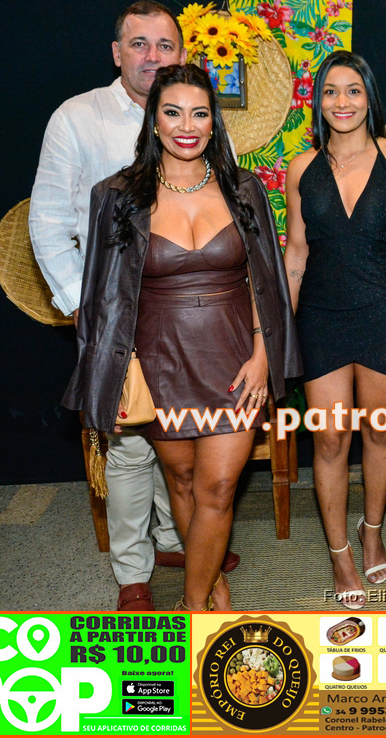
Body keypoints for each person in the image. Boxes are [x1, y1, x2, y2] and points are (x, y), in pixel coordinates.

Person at [64, 64, 301, 611]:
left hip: (235, 361)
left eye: (199, 113)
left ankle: (195, 609)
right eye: (173, 113)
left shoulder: (243, 189)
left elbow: (264, 280)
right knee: (184, 480)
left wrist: (263, 354)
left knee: (218, 486)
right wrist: (120, 369)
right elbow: (103, 295)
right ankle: (212, 581)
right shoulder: (117, 196)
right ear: (154, 121)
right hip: (160, 365)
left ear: (214, 122)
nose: (186, 126)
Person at [29, 1, 240, 612]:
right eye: (139, 44)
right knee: (127, 452)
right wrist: (91, 318)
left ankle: (184, 546)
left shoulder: (203, 130)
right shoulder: (77, 118)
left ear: (182, 53)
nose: (153, 55)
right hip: (122, 321)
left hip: (202, 332)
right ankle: (133, 570)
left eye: (165, 44)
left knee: (189, 470)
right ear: (117, 52)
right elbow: (48, 223)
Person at [283, 51, 386, 609]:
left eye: (353, 90)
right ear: (318, 101)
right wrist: (281, 334)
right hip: (320, 316)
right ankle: (339, 553)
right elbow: (296, 253)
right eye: (331, 91)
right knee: (330, 438)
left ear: (369, 97)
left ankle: (371, 529)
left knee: (378, 432)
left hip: (385, 313)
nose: (342, 102)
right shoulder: (301, 169)